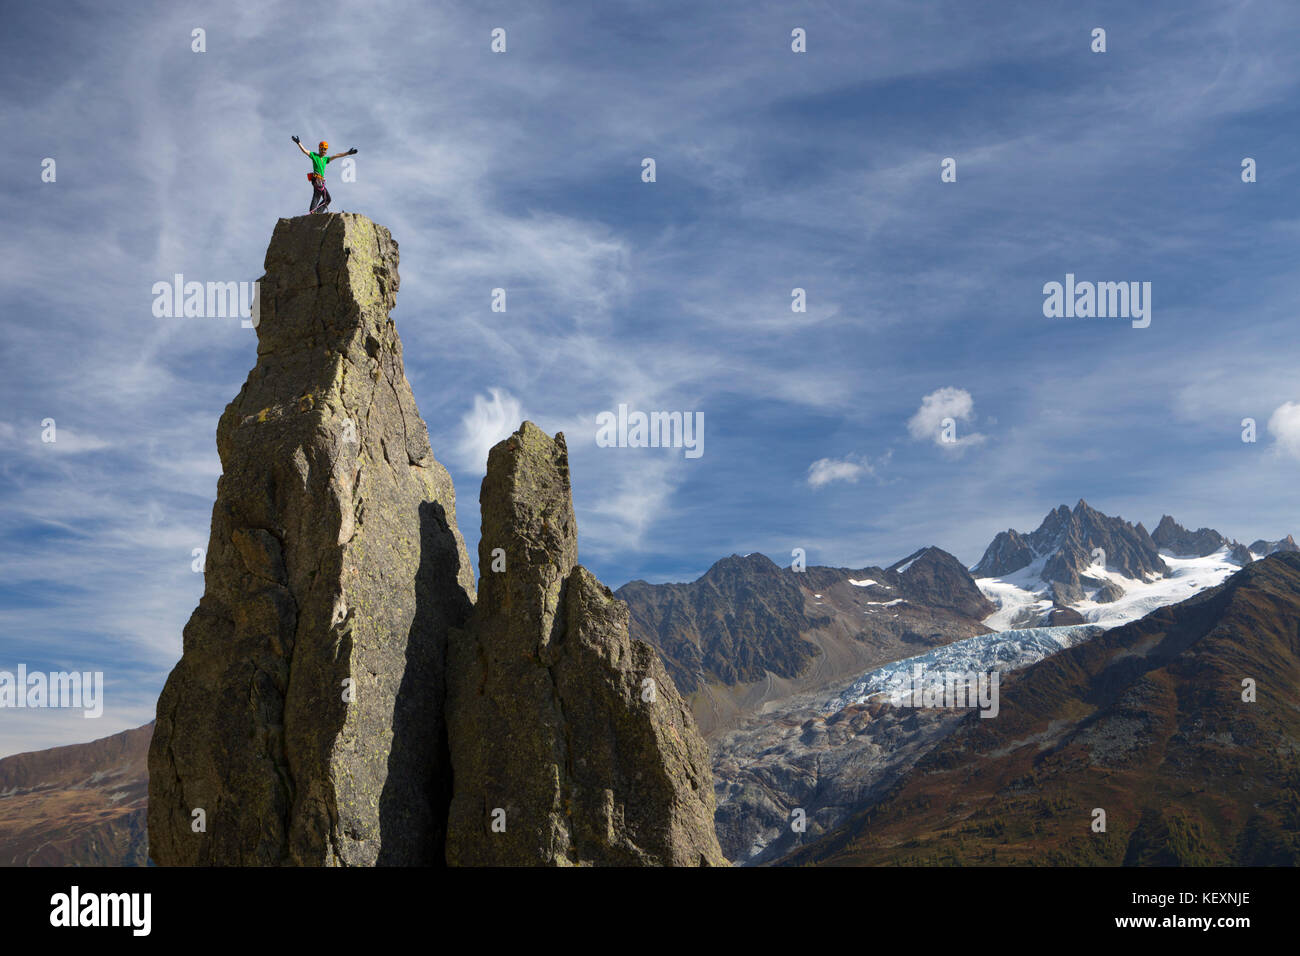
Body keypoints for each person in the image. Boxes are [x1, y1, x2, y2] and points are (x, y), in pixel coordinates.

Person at [292, 135, 357, 213]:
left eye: (325, 149)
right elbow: (305, 151)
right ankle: (313, 212)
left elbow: (337, 155)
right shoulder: (314, 156)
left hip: (321, 181)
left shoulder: (326, 159)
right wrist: (298, 143)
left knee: (327, 199)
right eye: (322, 149)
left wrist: (348, 153)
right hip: (316, 179)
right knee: (317, 195)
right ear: (319, 149)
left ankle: (317, 212)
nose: (324, 151)